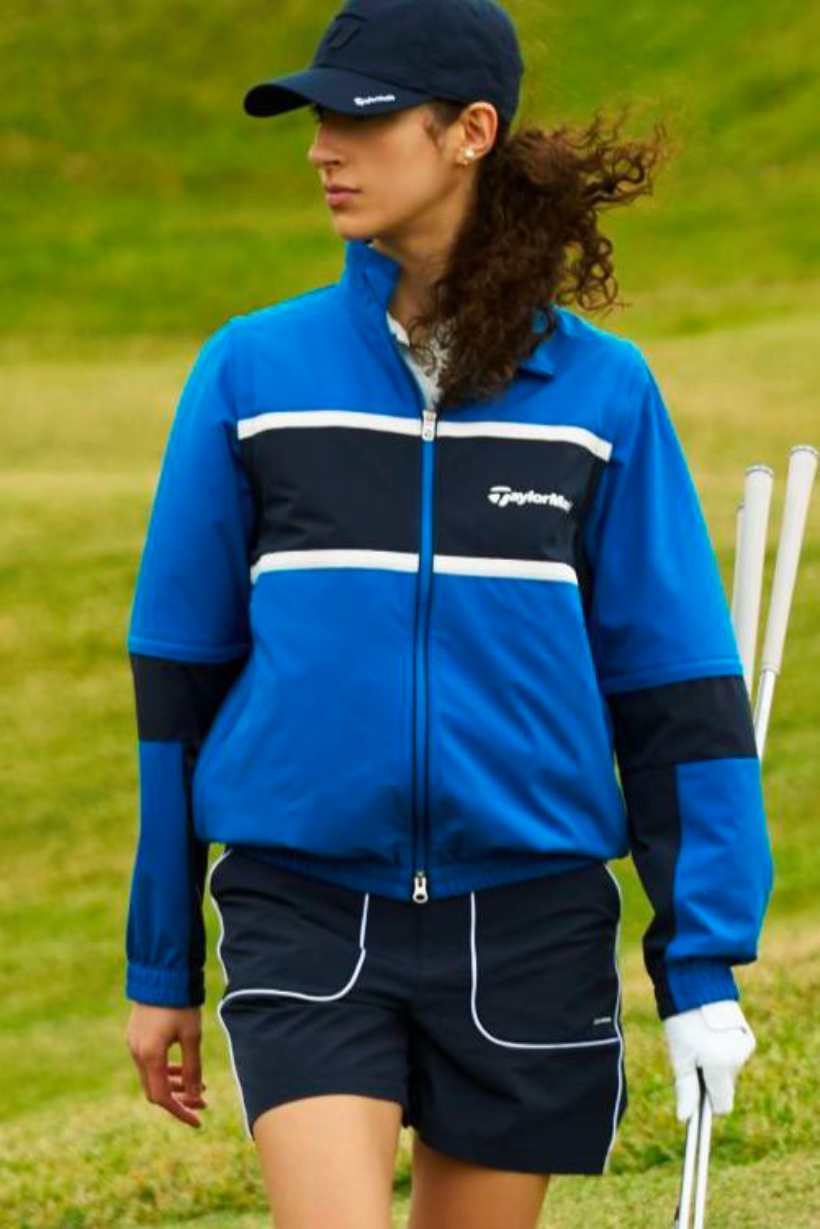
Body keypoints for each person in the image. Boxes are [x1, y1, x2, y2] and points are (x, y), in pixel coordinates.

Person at [123, 2, 774, 1226]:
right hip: (304, 907)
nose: (323, 147)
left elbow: (679, 696)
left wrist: (699, 967)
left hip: (530, 922)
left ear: (469, 131)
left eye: (360, 118)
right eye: (317, 118)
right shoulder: (252, 373)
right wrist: (161, 960)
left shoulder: (600, 392)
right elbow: (176, 686)